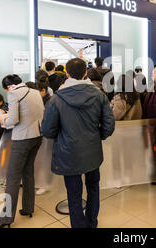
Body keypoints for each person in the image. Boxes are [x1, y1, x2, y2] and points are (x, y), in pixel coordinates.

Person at [41, 58, 115, 228]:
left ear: (66, 74)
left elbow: (47, 130)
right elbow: (109, 126)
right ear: (85, 73)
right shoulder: (99, 95)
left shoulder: (57, 99)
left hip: (68, 152)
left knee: (73, 194)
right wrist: (98, 136)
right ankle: (92, 222)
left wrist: (61, 136)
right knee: (93, 188)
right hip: (92, 151)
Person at [0, 74, 45, 228]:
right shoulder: (34, 92)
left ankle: (5, 219)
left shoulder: (13, 94)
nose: (7, 92)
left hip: (22, 138)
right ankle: (28, 208)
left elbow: (13, 120)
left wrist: (1, 119)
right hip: (37, 136)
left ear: (10, 87)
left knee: (12, 177)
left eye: (6, 89)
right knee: (28, 172)